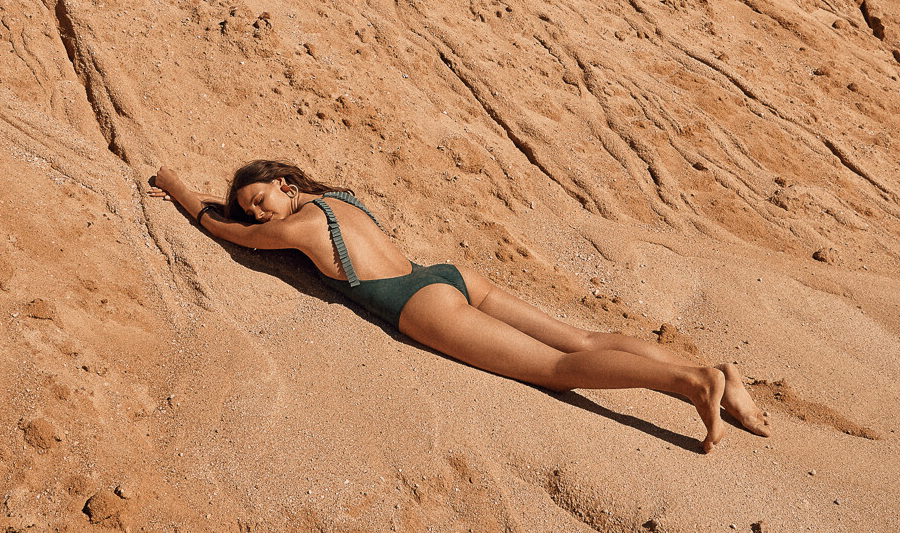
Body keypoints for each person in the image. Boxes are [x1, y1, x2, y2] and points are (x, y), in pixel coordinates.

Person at [150, 158, 770, 452]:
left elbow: (224, 232)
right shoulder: (334, 200)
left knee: (558, 369)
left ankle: (690, 383)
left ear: (285, 186)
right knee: (580, 339)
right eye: (252, 209)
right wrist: (227, 197)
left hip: (421, 302)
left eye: (260, 201)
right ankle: (718, 373)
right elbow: (243, 217)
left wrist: (175, 186)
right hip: (446, 276)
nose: (258, 215)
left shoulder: (295, 228)